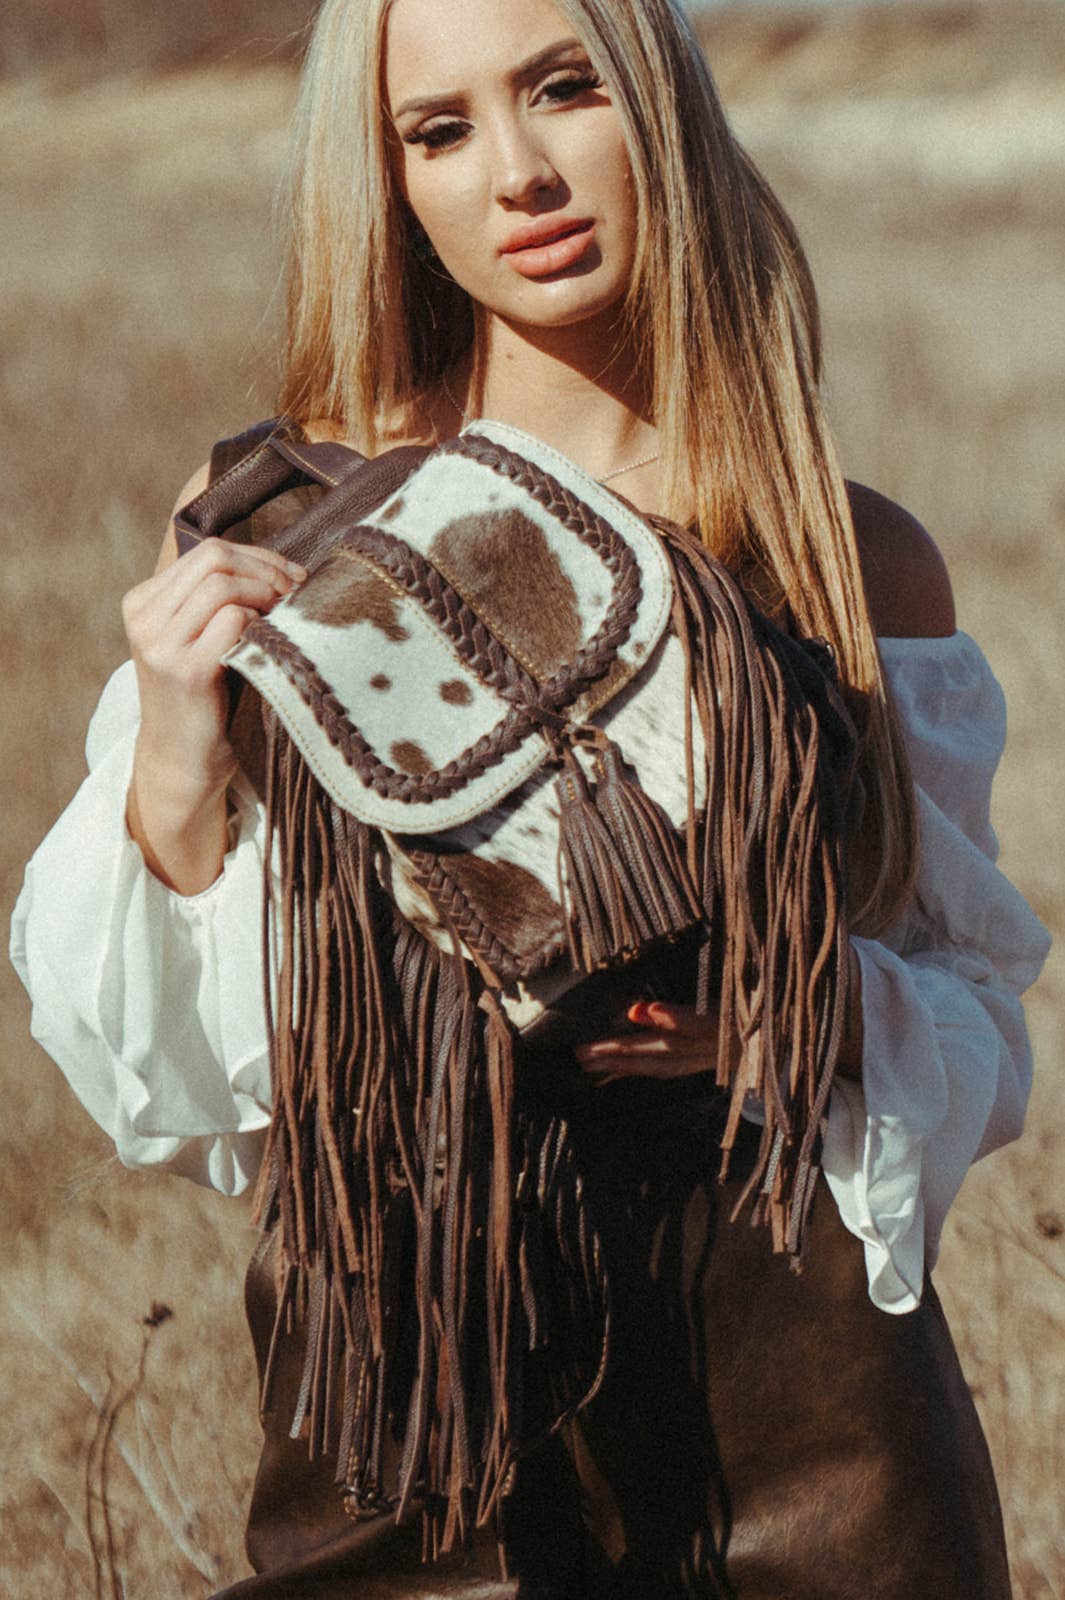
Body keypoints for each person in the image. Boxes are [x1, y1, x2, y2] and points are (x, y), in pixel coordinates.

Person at [11, 0, 1051, 1595]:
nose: (517, 173)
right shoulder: (285, 534)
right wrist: (173, 751)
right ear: (389, 185)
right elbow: (176, 1086)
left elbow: (969, 1001)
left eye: (564, 90)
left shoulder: (841, 554)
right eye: (438, 130)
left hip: (816, 1436)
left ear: (660, 104)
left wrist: (800, 1012)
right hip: (408, 1454)